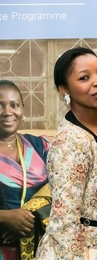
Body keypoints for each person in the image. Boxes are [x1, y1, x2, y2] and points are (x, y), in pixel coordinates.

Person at [35, 47, 97, 260]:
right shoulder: (71, 142)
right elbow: (64, 221)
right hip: (83, 254)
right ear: (64, 90)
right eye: (84, 77)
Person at [0, 80, 50, 260]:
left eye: (14, 105)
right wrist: (5, 217)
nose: (7, 112)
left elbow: (64, 190)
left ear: (23, 108)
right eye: (0, 105)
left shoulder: (40, 147)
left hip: (42, 250)